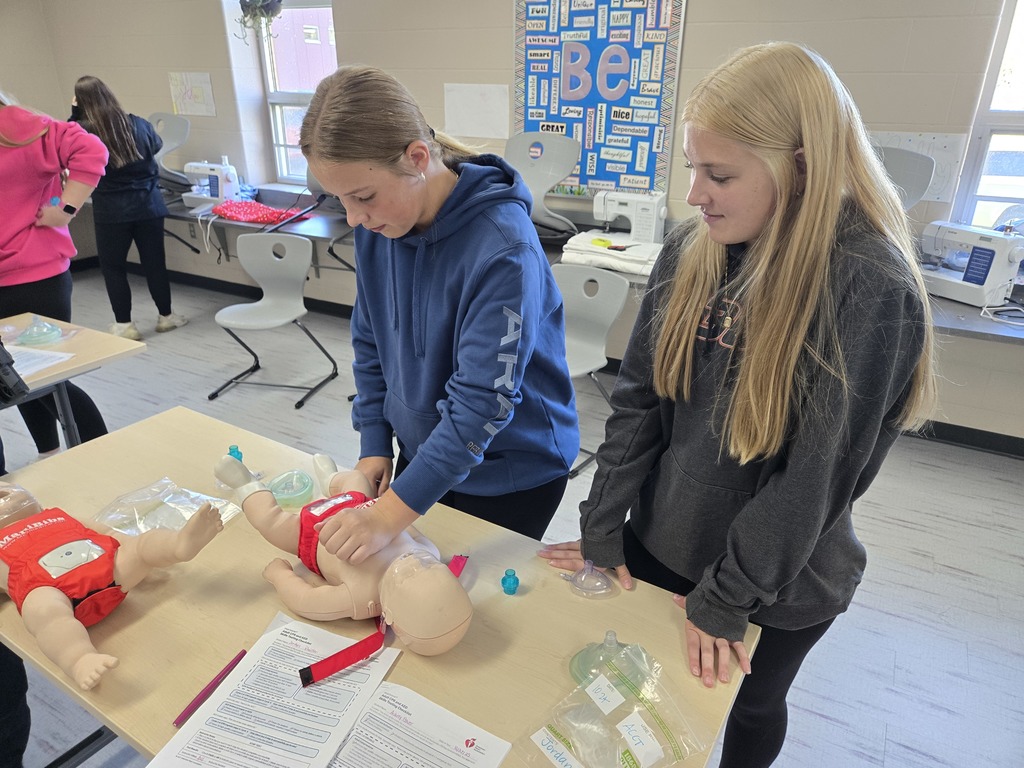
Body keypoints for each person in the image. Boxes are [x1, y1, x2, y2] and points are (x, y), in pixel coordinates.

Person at [538, 42, 937, 768]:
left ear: (803, 166)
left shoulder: (870, 287)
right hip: (666, 540)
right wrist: (603, 526)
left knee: (749, 706)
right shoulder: (696, 246)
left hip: (778, 582)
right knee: (646, 702)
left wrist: (726, 599)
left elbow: (814, 477)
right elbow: (638, 405)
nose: (694, 194)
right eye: (693, 167)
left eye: (718, 174)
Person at [298, 65, 579, 564]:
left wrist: (387, 516)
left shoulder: (503, 249)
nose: (355, 218)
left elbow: (480, 407)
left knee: (461, 607)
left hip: (510, 471)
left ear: (417, 158)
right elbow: (370, 339)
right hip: (425, 451)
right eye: (339, 199)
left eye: (363, 197)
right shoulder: (378, 225)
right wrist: (373, 442)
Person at [214, 453, 473, 655]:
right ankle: (330, 478)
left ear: (390, 615)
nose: (413, 561)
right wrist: (386, 513)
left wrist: (279, 576)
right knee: (358, 480)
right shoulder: (429, 551)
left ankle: (245, 484)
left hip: (313, 534)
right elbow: (409, 527)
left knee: (271, 522)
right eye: (426, 565)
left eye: (407, 576)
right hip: (362, 511)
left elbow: (306, 600)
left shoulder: (362, 598)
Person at [0, 481, 223, 690]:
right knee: (45, 612)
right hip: (52, 590)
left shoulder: (56, 515)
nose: (5, 498)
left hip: (109, 567)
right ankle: (78, 658)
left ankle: (177, 545)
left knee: (140, 546)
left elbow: (110, 534)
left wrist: (133, 550)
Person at [0, 90, 109, 469]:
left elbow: (93, 151)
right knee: (15, 376)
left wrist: (64, 209)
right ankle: (48, 453)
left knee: (43, 379)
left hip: (35, 278)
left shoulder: (23, 127)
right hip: (36, 275)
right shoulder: (24, 126)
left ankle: (102, 455)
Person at [71, 75, 186, 340]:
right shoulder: (139, 124)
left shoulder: (82, 130)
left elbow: (65, 143)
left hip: (111, 211)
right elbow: (155, 148)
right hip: (149, 206)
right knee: (155, 264)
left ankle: (125, 325)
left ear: (81, 101)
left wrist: (74, 112)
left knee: (113, 268)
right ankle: (166, 317)